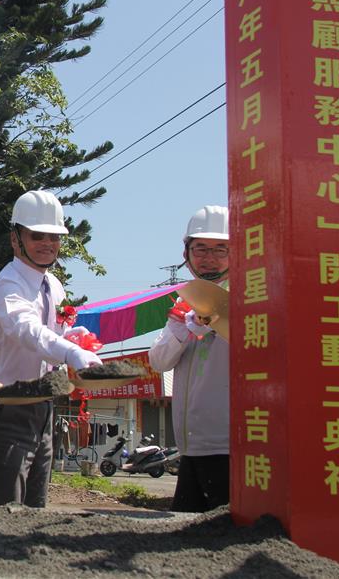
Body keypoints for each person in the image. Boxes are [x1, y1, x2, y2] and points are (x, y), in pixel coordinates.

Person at [0, 190, 102, 507]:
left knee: (34, 508)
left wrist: (74, 339)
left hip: (41, 407)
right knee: (3, 510)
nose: (47, 243)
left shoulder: (53, 285)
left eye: (54, 236)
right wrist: (69, 352)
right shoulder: (8, 283)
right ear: (16, 239)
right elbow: (25, 329)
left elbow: (55, 332)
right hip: (2, 405)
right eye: (37, 235)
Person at [148, 205, 230, 512]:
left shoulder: (249, 295)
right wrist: (183, 328)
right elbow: (158, 361)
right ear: (186, 253)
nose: (208, 258)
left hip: (226, 445)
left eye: (219, 249)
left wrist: (216, 319)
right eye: (200, 249)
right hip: (191, 446)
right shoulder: (185, 300)